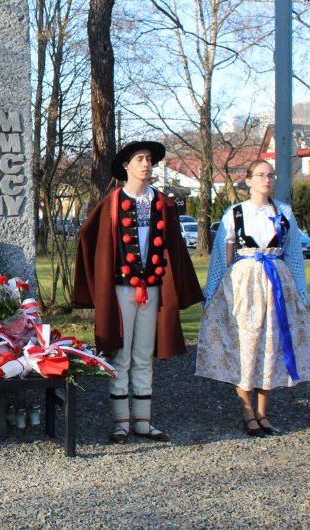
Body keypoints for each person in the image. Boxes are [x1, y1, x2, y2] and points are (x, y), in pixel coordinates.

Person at [73, 141, 204, 444]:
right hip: (120, 289)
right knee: (121, 353)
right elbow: (89, 236)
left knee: (144, 354)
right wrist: (100, 277)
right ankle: (121, 422)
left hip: (153, 287)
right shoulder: (113, 202)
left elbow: (174, 248)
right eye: (140, 159)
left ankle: (143, 422)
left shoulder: (163, 203)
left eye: (149, 160)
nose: (146, 164)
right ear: (126, 166)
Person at [196, 159, 310, 436]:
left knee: (270, 344)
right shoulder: (235, 213)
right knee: (246, 343)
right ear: (248, 180)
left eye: (270, 175)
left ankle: (263, 411)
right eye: (260, 175)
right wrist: (212, 292)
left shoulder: (283, 212)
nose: (267, 180)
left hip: (276, 284)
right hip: (244, 285)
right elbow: (221, 258)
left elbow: (294, 253)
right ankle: (247, 410)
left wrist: (301, 290)